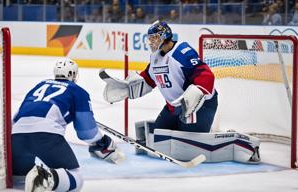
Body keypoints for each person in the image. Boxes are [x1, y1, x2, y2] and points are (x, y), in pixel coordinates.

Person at [101, 21, 260, 164]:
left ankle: (237, 142)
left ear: (165, 36)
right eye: (150, 38)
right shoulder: (156, 57)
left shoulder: (182, 52)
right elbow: (149, 78)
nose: (151, 41)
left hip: (200, 106)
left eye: (154, 38)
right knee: (158, 138)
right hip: (174, 107)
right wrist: (127, 87)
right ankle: (187, 128)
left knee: (187, 146)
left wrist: (194, 96)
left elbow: (206, 76)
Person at [12, 58, 125, 192]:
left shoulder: (39, 85)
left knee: (19, 181)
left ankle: (29, 178)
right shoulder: (77, 91)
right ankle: (46, 177)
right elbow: (86, 132)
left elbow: (15, 118)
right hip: (45, 137)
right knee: (76, 177)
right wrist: (101, 143)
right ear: (73, 74)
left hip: (16, 137)